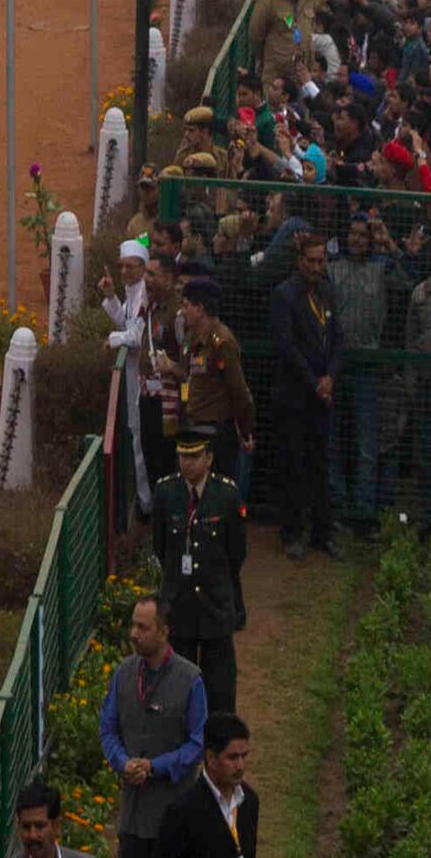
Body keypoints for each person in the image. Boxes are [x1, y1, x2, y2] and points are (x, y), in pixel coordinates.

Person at [154, 425, 252, 732]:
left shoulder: (227, 494)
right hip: (179, 606)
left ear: (209, 458)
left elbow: (236, 551)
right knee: (179, 688)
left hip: (215, 605)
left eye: (195, 456)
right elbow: (161, 547)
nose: (188, 463)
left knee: (220, 690)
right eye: (183, 456)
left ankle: (220, 743)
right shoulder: (166, 492)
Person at [99, 589, 208, 854]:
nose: (134, 633)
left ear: (164, 631)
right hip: (132, 818)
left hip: (174, 816)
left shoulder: (190, 679)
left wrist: (155, 767)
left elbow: (198, 743)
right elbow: (107, 728)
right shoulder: (123, 673)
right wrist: (122, 762)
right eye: (133, 624)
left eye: (143, 627)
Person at [269, 242, 344, 556]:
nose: (317, 266)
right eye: (311, 261)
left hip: (321, 397)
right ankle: (292, 534)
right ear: (300, 261)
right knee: (294, 465)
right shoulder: (285, 295)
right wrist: (315, 383)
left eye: (321, 260)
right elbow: (287, 348)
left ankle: (322, 533)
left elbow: (338, 340)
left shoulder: (328, 292)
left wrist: (330, 377)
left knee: (320, 464)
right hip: (295, 396)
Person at [170, 713, 258, 858]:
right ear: (211, 757)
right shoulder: (182, 811)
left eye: (244, 756)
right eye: (233, 757)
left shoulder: (250, 800)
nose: (240, 766)